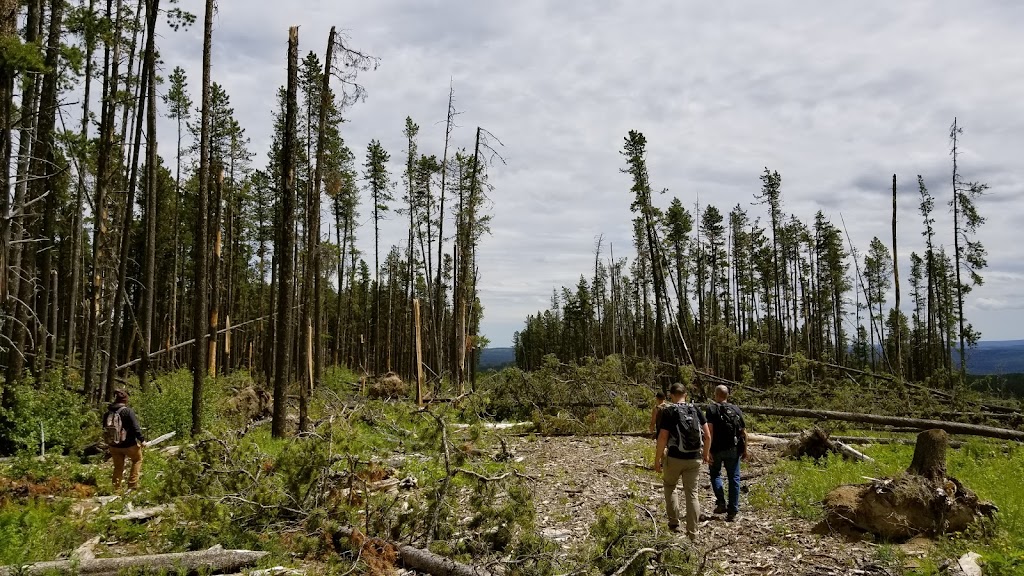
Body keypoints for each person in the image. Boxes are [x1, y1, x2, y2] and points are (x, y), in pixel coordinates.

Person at [654, 382, 711, 541]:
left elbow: (663, 438)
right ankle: (693, 533)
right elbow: (707, 436)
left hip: (675, 457)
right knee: (692, 494)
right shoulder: (696, 409)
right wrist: (705, 454)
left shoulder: (668, 411)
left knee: (670, 485)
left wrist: (657, 459)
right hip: (694, 458)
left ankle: (674, 523)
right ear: (686, 394)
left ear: (671, 395)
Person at [705, 384, 747, 522]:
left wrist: (707, 450)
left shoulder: (711, 409)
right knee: (734, 478)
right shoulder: (736, 409)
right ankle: (733, 510)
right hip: (733, 449)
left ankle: (721, 502)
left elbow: (709, 431)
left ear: (716, 395)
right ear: (727, 395)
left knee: (715, 474)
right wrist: (745, 449)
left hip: (716, 449)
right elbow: (743, 432)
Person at [103, 389, 146, 490]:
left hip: (113, 445)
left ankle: (116, 488)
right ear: (125, 400)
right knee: (137, 460)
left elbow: (104, 428)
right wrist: (142, 440)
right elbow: (136, 427)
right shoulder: (128, 411)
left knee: (118, 467)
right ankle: (132, 484)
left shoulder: (108, 413)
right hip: (129, 445)